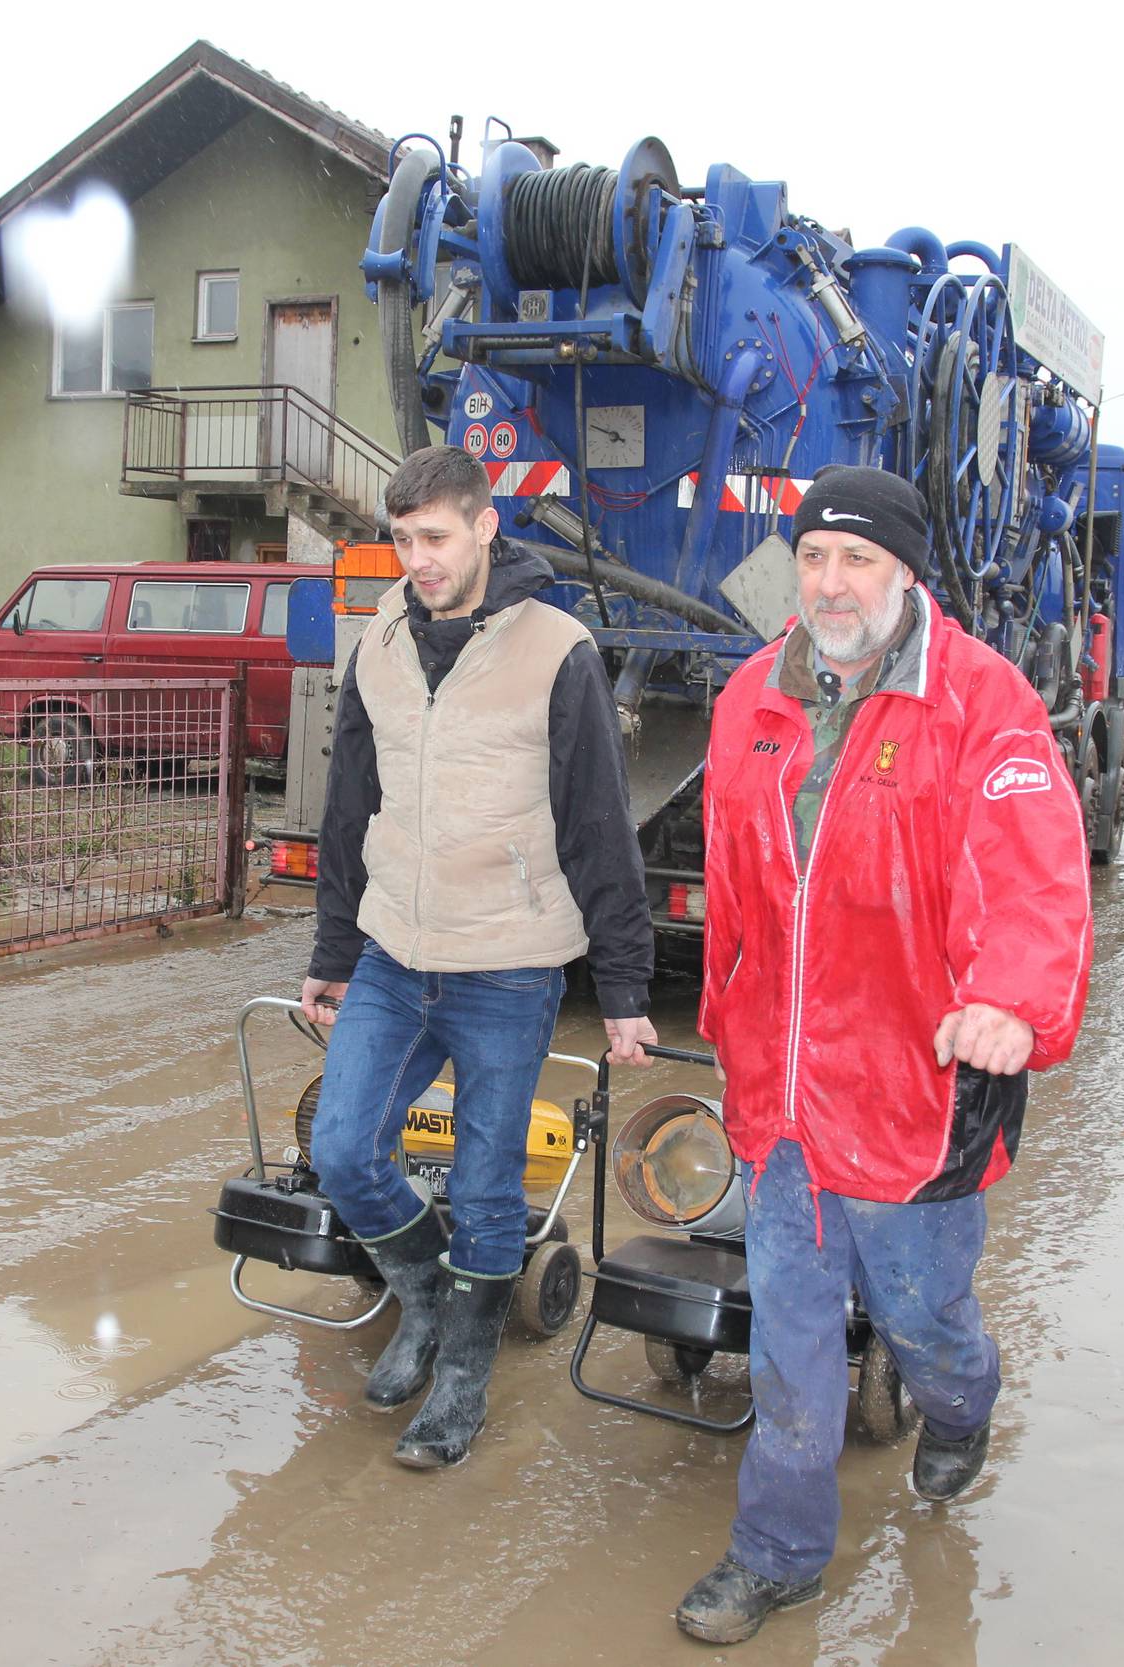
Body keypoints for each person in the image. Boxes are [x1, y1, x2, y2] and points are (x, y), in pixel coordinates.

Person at [675, 466, 1093, 1645]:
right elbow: (735, 891)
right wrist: (730, 1024)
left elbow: (1037, 872)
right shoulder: (751, 697)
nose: (831, 581)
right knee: (789, 1342)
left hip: (918, 1093)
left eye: (858, 560)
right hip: (787, 1099)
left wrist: (1011, 1000)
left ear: (907, 574)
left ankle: (963, 1403)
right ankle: (780, 1552)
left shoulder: (984, 703)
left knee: (924, 1318)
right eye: (813, 557)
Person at [301, 444, 658, 1469]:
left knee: (490, 1184)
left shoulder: (558, 649)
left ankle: (463, 1372)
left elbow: (599, 822)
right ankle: (420, 1298)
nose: (417, 558)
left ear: (485, 525)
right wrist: (334, 943)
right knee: (343, 1148)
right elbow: (348, 805)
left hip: (508, 964)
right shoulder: (379, 641)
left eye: (436, 537)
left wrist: (627, 986)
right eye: (403, 538)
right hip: (394, 954)